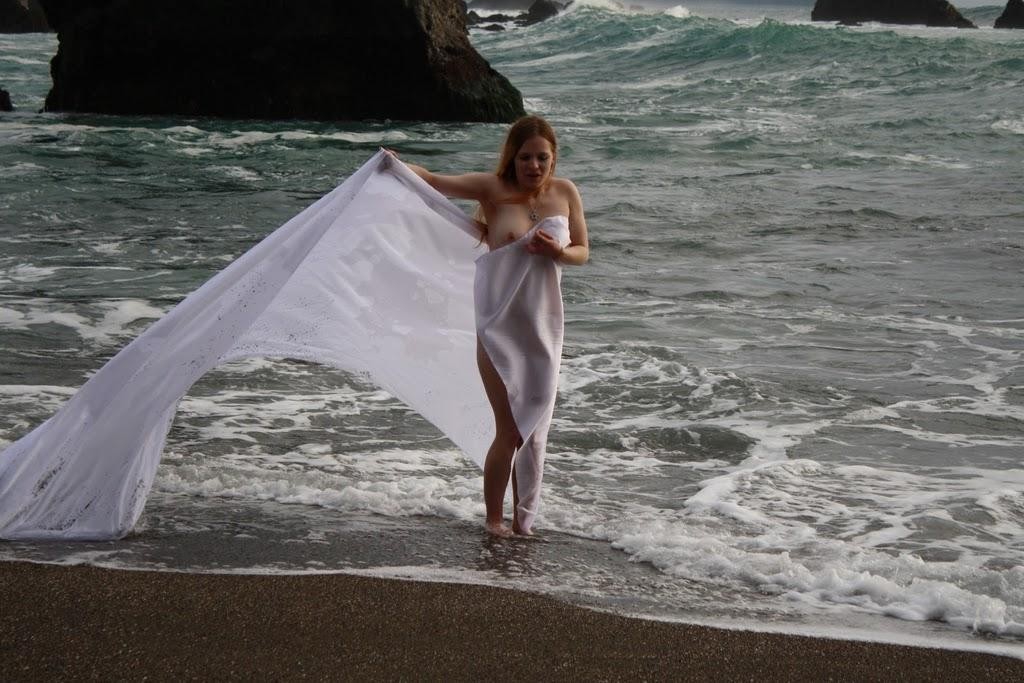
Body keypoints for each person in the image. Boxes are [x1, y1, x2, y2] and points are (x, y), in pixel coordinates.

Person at [388, 115, 589, 537]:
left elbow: (583, 251)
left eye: (542, 157)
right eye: (525, 157)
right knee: (510, 430)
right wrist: (394, 165)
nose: (534, 166)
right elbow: (434, 181)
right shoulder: (492, 189)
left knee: (534, 432)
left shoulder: (565, 192)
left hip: (544, 329)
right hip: (498, 329)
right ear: (512, 158)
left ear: (553, 158)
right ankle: (495, 521)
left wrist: (557, 252)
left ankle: (522, 523)